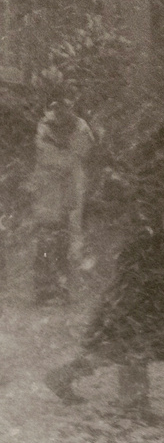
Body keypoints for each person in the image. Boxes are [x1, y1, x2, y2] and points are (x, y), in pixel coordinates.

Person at [45, 111, 164, 418]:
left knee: (124, 333)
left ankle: (69, 376)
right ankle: (132, 403)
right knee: (132, 334)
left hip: (146, 261)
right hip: (145, 261)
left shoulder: (156, 168)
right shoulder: (159, 171)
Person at [32, 97, 94, 305]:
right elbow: (45, 155)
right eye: (57, 107)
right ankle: (44, 288)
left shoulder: (80, 126)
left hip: (70, 191)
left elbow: (82, 152)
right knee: (46, 239)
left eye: (65, 106)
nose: (61, 111)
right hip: (49, 192)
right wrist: (64, 159)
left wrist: (64, 160)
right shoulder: (45, 126)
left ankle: (63, 286)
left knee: (66, 240)